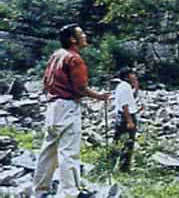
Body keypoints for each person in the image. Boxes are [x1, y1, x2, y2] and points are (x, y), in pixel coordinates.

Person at [33, 24, 111, 198]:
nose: (85, 36)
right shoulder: (74, 58)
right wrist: (99, 96)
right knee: (68, 151)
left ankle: (40, 190)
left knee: (48, 150)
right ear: (72, 39)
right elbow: (80, 88)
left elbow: (46, 81)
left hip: (52, 105)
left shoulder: (56, 55)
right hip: (68, 106)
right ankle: (71, 192)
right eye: (81, 34)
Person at [110, 67, 142, 172]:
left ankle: (111, 164)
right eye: (132, 74)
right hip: (126, 117)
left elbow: (131, 98)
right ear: (127, 76)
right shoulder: (125, 87)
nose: (134, 76)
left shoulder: (125, 86)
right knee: (128, 142)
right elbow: (125, 106)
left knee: (118, 140)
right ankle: (123, 168)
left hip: (124, 116)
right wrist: (129, 121)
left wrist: (136, 86)